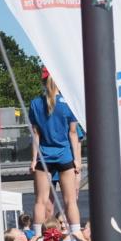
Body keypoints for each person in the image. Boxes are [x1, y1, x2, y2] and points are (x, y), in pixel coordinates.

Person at [29, 67, 82, 232]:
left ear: (43, 82)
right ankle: (76, 233)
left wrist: (33, 160)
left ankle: (38, 236)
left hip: (44, 156)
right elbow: (73, 134)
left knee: (40, 201)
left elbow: (36, 135)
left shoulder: (35, 103)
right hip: (65, 155)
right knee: (70, 201)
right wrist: (77, 160)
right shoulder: (68, 103)